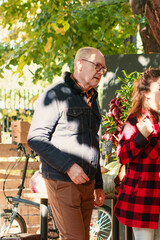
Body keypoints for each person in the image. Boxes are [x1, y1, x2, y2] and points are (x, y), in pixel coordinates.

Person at [27, 47, 106, 239]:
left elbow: (93, 142)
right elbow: (35, 139)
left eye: (103, 68)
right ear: (79, 64)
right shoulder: (55, 94)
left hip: (87, 183)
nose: (100, 72)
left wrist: (98, 184)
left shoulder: (92, 97)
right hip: (62, 181)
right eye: (97, 66)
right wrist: (69, 167)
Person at [115, 68, 160, 240]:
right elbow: (122, 155)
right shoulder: (135, 120)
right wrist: (141, 136)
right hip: (143, 194)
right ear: (147, 94)